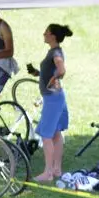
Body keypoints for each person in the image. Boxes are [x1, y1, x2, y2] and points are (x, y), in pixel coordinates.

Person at [33, 24, 72, 183]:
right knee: (56, 134)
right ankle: (56, 169)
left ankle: (47, 173)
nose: (44, 34)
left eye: (46, 32)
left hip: (52, 98)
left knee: (46, 135)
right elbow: (52, 70)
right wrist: (38, 73)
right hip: (57, 97)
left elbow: (61, 70)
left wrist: (54, 78)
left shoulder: (56, 52)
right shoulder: (54, 51)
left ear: (53, 36)